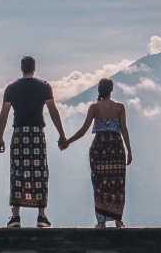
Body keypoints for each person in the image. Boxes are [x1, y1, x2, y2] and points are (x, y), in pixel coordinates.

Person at [0, 55, 67, 228]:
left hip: (19, 134)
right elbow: (53, 110)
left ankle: (15, 217)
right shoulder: (43, 87)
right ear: (34, 68)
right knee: (40, 172)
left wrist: (0, 137)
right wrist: (62, 134)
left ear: (21, 68)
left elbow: (4, 114)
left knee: (18, 172)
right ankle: (41, 216)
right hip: (36, 133)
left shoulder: (11, 88)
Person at [59, 77, 132, 228]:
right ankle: (118, 220)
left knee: (99, 184)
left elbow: (84, 130)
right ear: (111, 90)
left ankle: (101, 222)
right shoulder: (120, 107)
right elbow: (123, 129)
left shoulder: (94, 107)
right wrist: (129, 150)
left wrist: (68, 142)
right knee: (118, 183)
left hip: (99, 148)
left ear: (99, 90)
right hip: (116, 148)